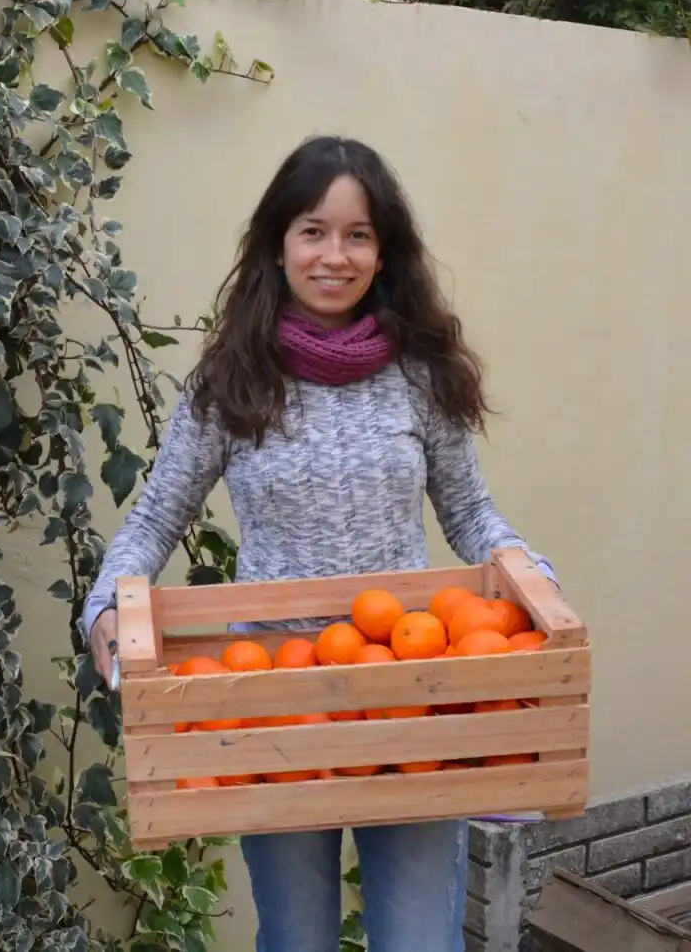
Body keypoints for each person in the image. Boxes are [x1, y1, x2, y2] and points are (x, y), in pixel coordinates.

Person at [80, 135, 557, 952]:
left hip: (410, 695)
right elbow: (156, 519)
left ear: (384, 253)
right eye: (313, 230)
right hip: (276, 710)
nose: (334, 254)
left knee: (419, 943)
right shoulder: (231, 380)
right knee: (295, 939)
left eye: (358, 234)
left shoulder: (421, 376)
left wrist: (533, 578)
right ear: (277, 244)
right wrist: (106, 608)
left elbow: (473, 514)